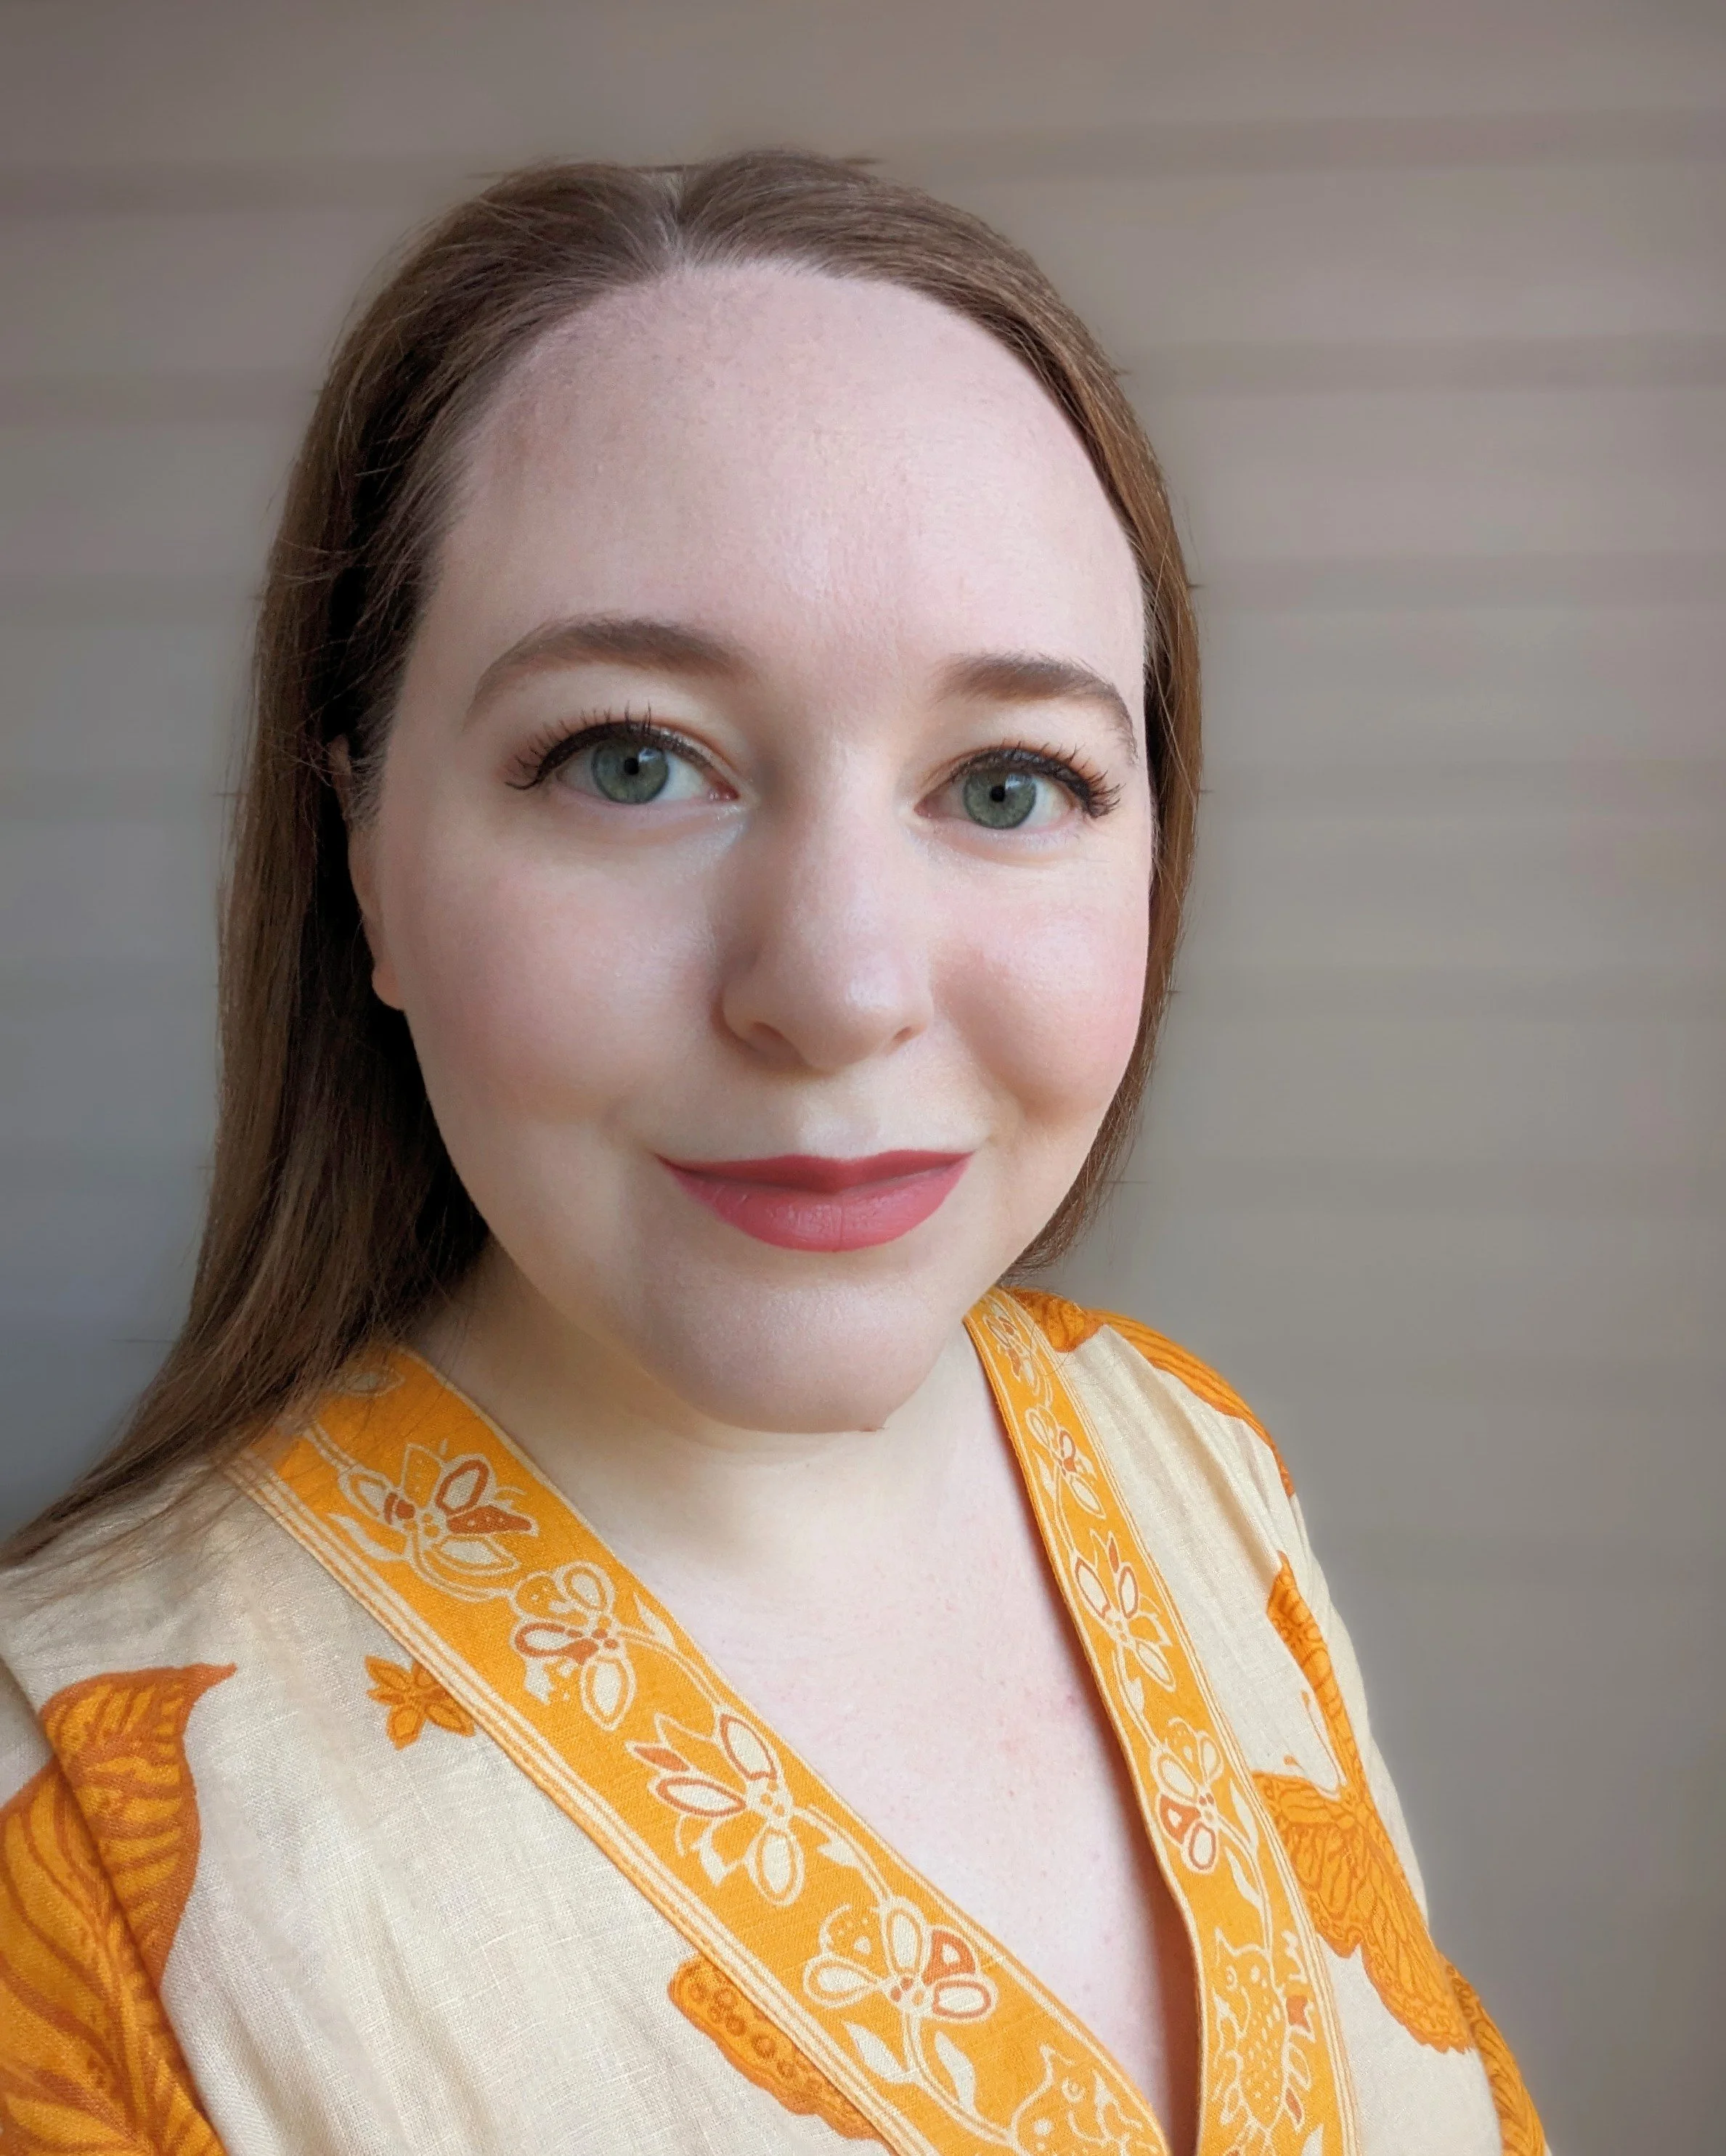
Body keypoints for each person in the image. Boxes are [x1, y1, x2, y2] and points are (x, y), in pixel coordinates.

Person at [0, 151, 1547, 2156]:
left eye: (1011, 781)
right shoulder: (80, 1874)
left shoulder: (1192, 1464)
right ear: (363, 856)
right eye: (630, 759)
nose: (836, 986)